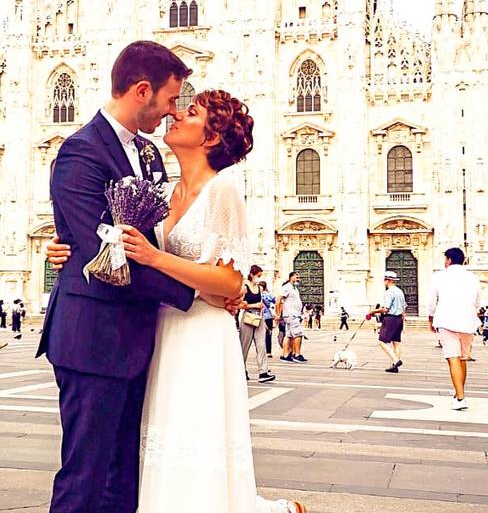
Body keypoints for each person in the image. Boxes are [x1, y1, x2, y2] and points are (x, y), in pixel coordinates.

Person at [40, 44, 302, 513]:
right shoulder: (82, 151)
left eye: (188, 108)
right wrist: (199, 289)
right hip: (98, 338)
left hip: (154, 338)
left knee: (134, 473)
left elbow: (150, 250)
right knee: (87, 473)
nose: (173, 112)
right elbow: (105, 249)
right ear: (143, 91)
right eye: (173, 100)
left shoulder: (155, 161)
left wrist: (219, 285)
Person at [427, 247, 481, 411]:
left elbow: (431, 302)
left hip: (447, 320)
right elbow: (478, 302)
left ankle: (460, 397)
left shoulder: (439, 277)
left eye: (445, 259)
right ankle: (459, 393)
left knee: (453, 358)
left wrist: (431, 318)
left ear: (449, 260)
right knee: (463, 358)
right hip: (468, 322)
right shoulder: (473, 277)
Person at [240, 265, 275, 383]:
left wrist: (263, 321)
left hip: (259, 318)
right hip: (247, 317)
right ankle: (241, 370)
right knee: (244, 346)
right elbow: (240, 304)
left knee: (261, 345)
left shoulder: (259, 289)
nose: (259, 278)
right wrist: (253, 305)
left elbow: (261, 304)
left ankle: (263, 372)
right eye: (258, 276)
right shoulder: (244, 287)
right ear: (251, 274)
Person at [372, 271, 405, 372]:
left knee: (381, 341)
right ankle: (394, 367)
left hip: (390, 318)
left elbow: (385, 309)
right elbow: (404, 308)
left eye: (385, 280)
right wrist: (403, 321)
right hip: (399, 318)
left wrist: (372, 311)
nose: (384, 282)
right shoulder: (400, 291)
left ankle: (396, 360)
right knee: (397, 342)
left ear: (389, 280)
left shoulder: (389, 292)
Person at [278, 272, 307, 363]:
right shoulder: (287, 287)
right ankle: (296, 355)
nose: (298, 278)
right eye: (296, 277)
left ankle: (286, 355)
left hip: (293, 315)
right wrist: (278, 313)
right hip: (291, 315)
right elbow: (279, 299)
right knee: (298, 334)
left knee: (289, 335)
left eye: (299, 277)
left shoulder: (294, 288)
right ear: (290, 277)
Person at [260, 282, 275, 358]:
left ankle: (260, 352)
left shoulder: (257, 294)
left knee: (258, 335)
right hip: (268, 316)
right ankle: (268, 352)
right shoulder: (268, 295)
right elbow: (276, 301)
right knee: (268, 334)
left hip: (258, 316)